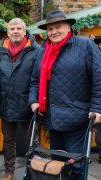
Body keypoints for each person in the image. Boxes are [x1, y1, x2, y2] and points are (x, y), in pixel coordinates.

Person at [29, 10, 101, 179]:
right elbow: (34, 80)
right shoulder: (43, 51)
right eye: (50, 28)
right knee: (56, 164)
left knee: (75, 165)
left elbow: (99, 78)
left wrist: (98, 108)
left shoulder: (85, 46)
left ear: (68, 26)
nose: (54, 32)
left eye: (58, 27)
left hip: (78, 118)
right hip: (52, 119)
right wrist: (33, 100)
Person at [0, 18, 41, 180]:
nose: (15, 31)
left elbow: (39, 78)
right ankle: (9, 172)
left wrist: (36, 100)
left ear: (24, 31)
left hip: (27, 104)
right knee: (8, 141)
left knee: (31, 142)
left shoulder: (36, 51)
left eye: (18, 29)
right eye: (12, 29)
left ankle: (33, 173)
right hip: (6, 103)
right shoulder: (1, 51)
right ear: (8, 32)